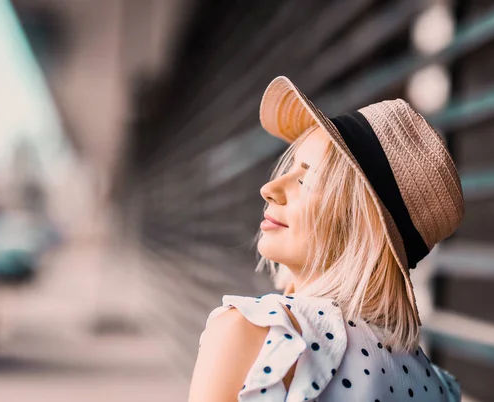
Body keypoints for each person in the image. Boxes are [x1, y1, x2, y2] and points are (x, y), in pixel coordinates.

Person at [189, 76, 464, 401]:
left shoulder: (249, 333)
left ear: (361, 225)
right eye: (289, 169)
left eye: (307, 180)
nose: (270, 190)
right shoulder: (437, 388)